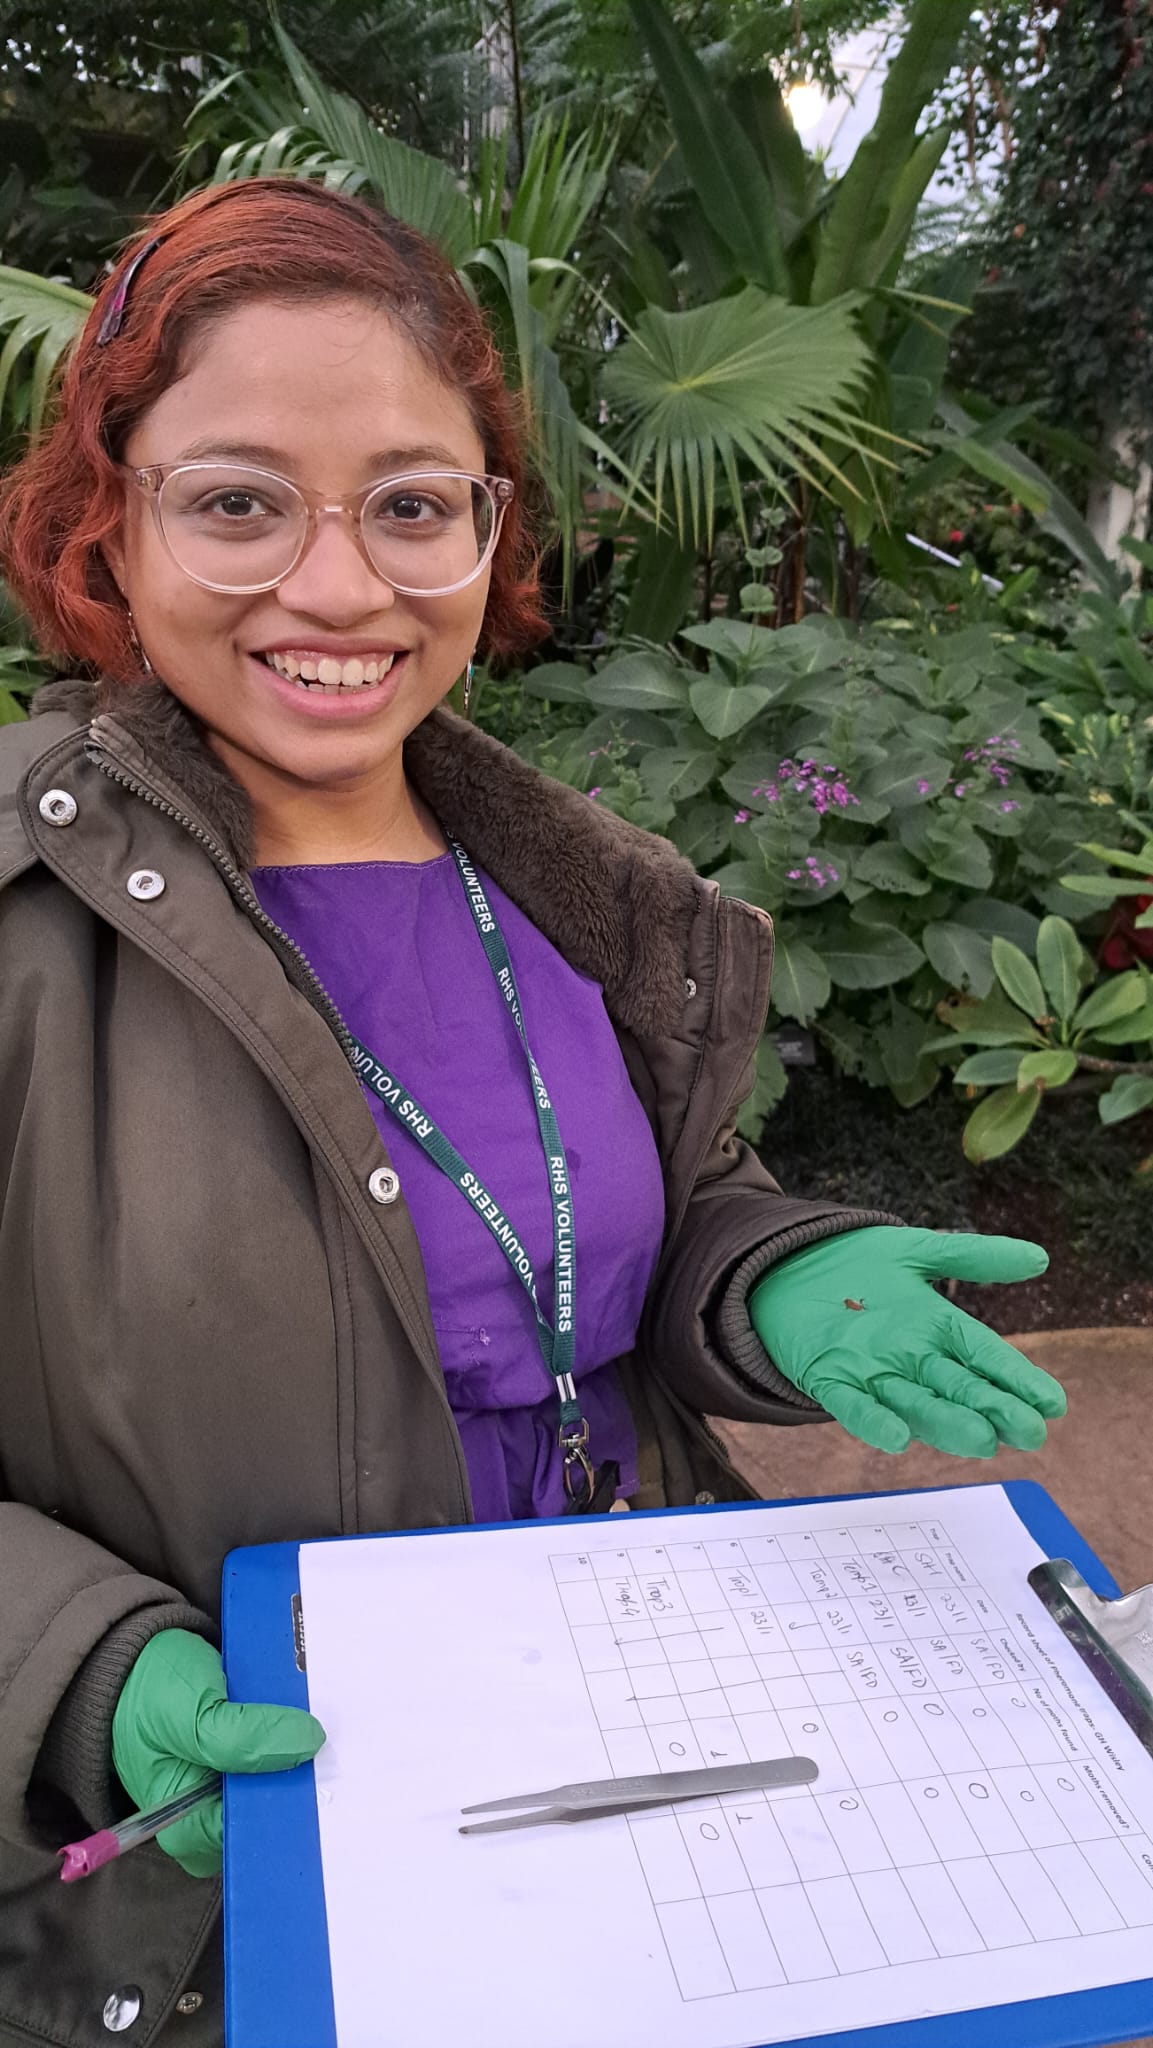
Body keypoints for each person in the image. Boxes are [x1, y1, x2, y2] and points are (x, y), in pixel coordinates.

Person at [0, 179, 1065, 2047]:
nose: (340, 589)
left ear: (488, 529)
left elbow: (636, 1215)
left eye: (413, 506)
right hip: (227, 1870)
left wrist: (770, 1281)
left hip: (637, 1760)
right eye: (238, 501)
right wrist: (80, 1666)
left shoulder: (576, 898)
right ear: (110, 514)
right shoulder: (18, 913)